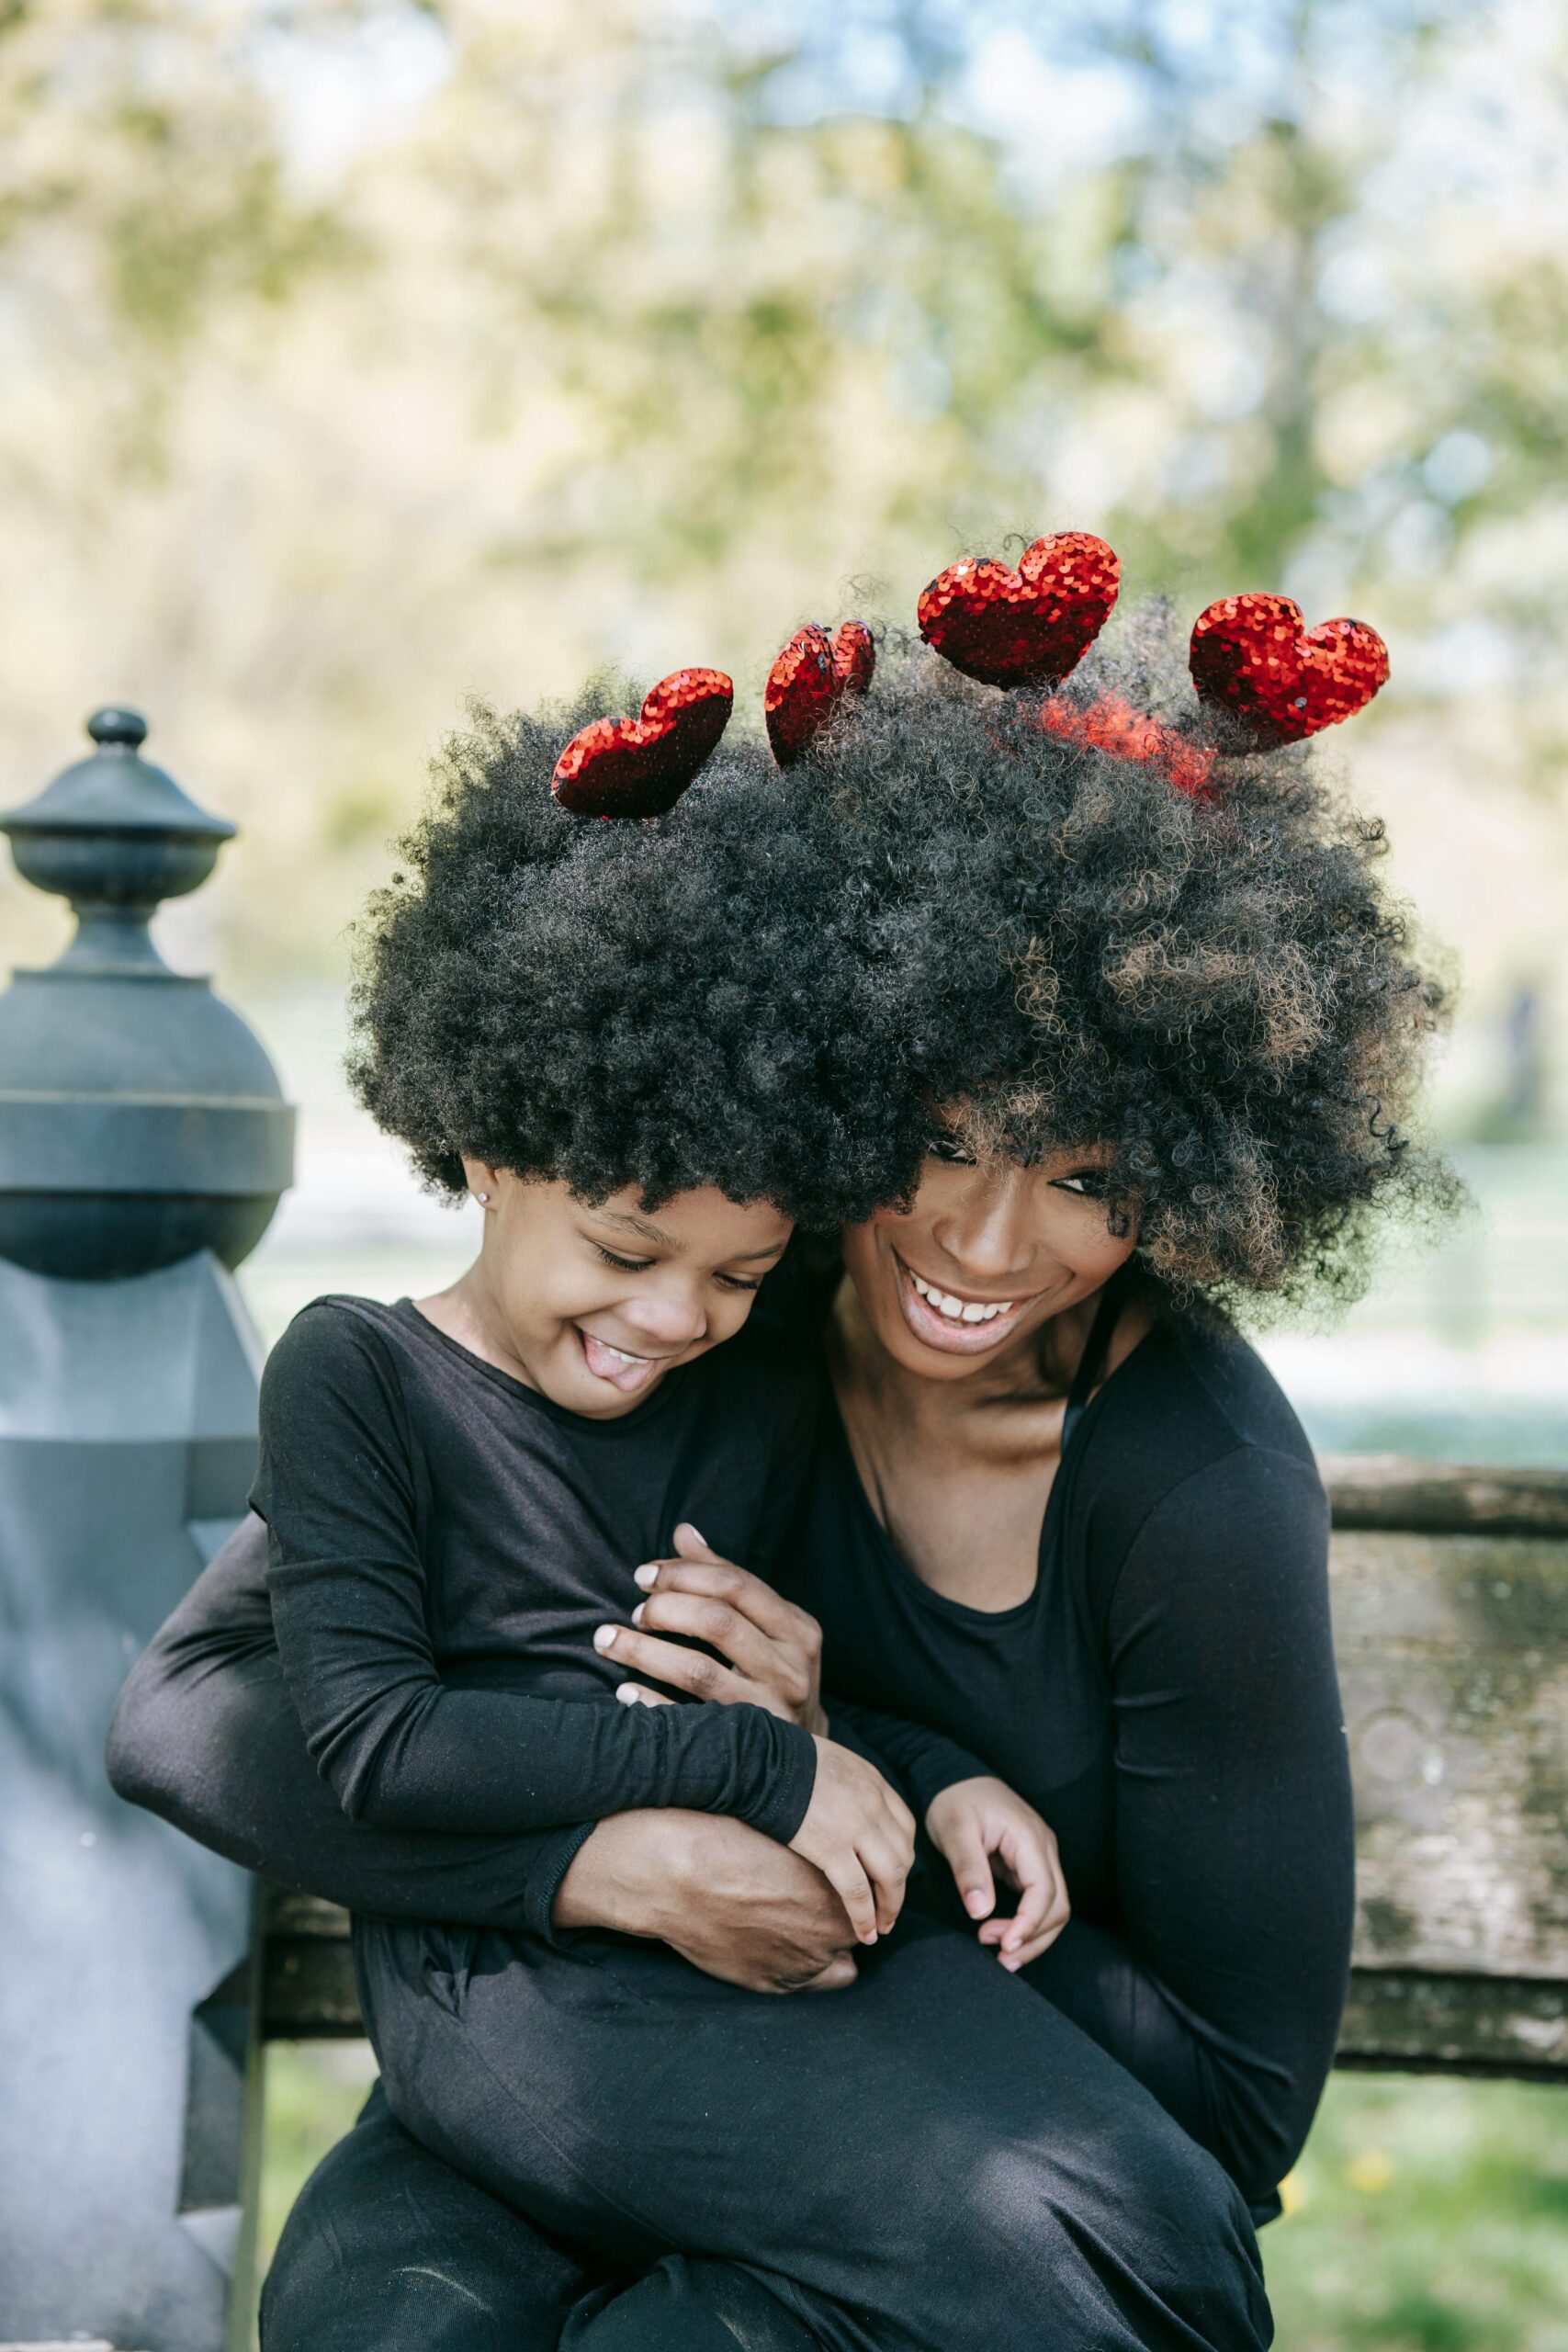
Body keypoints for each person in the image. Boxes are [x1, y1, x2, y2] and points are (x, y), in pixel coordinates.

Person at [110, 583, 1450, 2352]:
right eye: (945, 1135)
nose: (980, 1239)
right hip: (553, 2036)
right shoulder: (711, 1283)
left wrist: (846, 1822)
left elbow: (1228, 2112)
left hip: (933, 2132)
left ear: (1201, 1181)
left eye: (1090, 1178)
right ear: (857, 1069)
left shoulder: (1192, 1481)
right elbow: (200, 1711)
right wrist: (619, 1863)